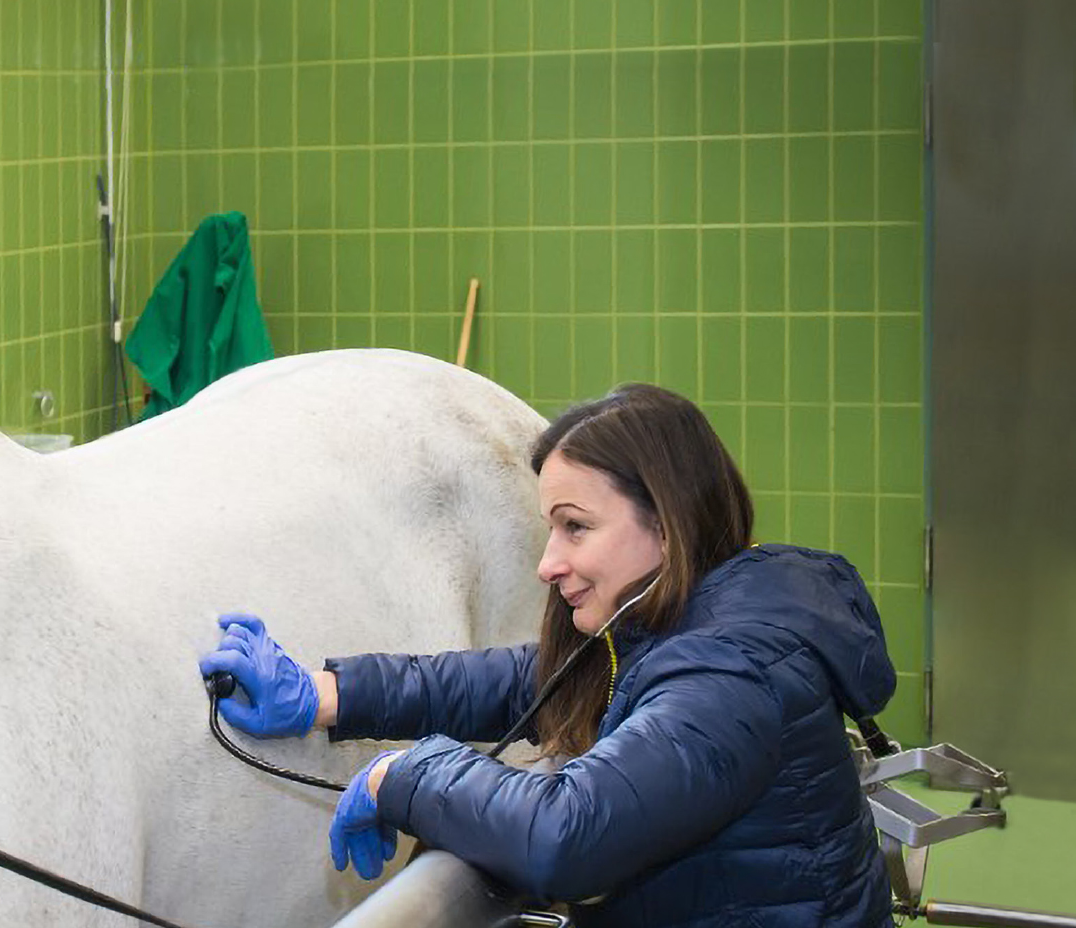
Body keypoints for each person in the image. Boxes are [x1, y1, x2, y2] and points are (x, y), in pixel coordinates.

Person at [199, 383, 896, 927]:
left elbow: (566, 834)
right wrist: (329, 693)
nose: (549, 563)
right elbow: (523, 682)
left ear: (667, 524)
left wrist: (402, 776)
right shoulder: (690, 616)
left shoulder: (732, 675)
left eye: (576, 528)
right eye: (550, 529)